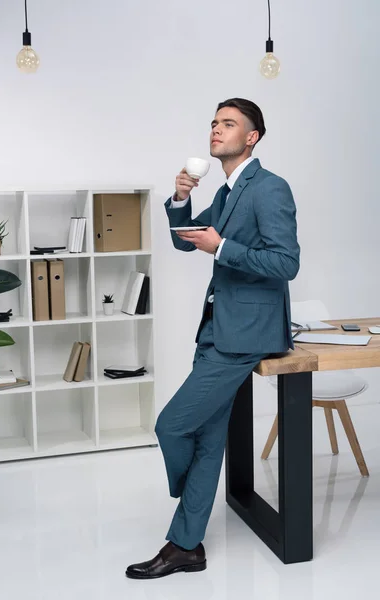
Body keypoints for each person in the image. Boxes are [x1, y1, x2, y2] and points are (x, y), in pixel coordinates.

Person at [126, 98, 300, 579]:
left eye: (228, 124)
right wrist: (181, 198)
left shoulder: (269, 188)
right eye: (213, 123)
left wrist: (222, 246)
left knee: (172, 425)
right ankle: (186, 546)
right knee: (205, 438)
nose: (215, 130)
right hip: (218, 327)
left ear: (252, 137)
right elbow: (188, 237)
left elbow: (286, 263)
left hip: (245, 334)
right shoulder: (228, 191)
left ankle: (184, 515)